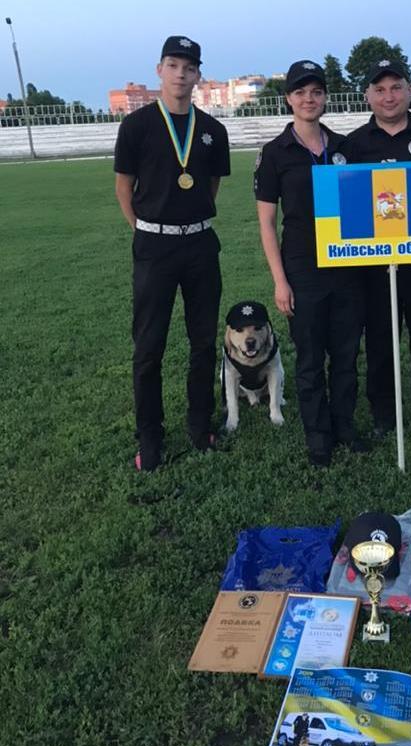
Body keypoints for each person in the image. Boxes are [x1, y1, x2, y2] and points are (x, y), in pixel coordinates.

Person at [114, 36, 230, 471]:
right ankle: (151, 436)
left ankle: (200, 426)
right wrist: (146, 229)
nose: (182, 74)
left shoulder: (213, 131)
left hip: (200, 243)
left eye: (190, 67)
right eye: (174, 65)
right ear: (159, 70)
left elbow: (211, 189)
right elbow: (123, 188)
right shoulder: (137, 126)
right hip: (154, 246)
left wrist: (187, 223)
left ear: (198, 75)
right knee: (149, 347)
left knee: (202, 342)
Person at [254, 60, 366, 468]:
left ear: (325, 98)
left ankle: (345, 427)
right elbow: (267, 222)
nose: (308, 99)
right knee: (309, 358)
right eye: (301, 92)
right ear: (289, 99)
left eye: (316, 92)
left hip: (348, 267)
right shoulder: (274, 154)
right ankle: (318, 437)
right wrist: (280, 281)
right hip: (301, 268)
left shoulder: (343, 148)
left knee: (346, 354)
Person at [345, 59, 411, 439]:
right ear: (368, 95)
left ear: (409, 91)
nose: (389, 97)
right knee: (380, 346)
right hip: (374, 269)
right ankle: (383, 415)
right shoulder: (353, 145)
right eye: (380, 89)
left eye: (396, 87)